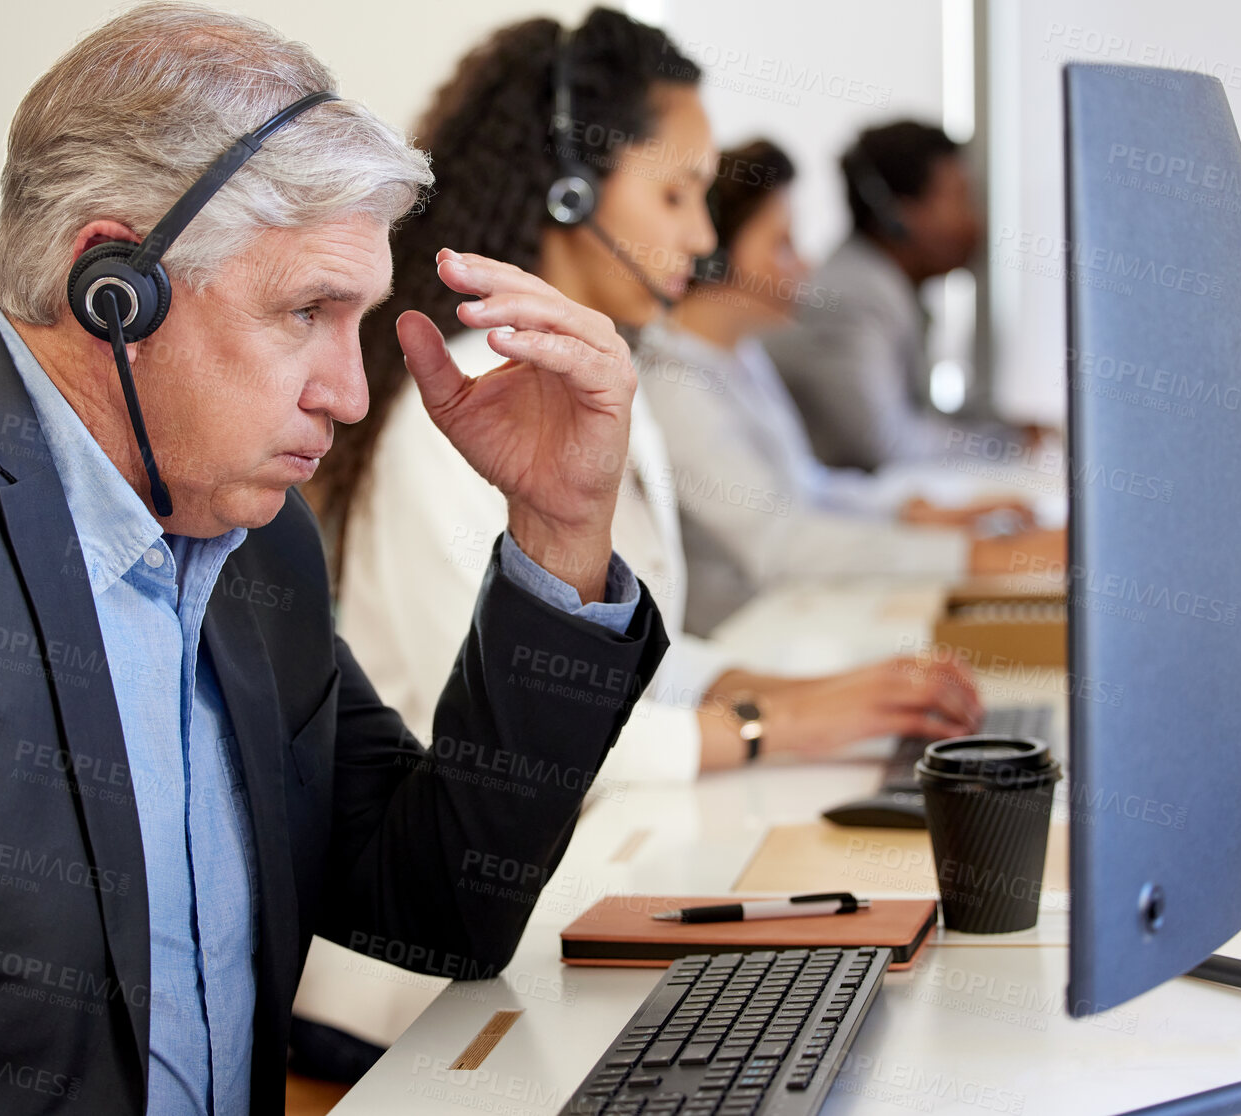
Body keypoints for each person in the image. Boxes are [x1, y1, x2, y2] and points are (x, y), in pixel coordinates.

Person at [0, 5, 674, 1112]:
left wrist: (556, 528)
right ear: (114, 285)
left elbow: (442, 904)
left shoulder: (252, 545)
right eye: (307, 310)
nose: (350, 396)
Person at [307, 9, 986, 791]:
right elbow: (487, 729)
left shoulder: (597, 373)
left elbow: (613, 662)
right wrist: (782, 725)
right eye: (674, 195)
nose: (702, 240)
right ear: (568, 194)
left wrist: (805, 692)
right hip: (468, 882)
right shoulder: (470, 398)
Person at [637, 140, 1058, 632]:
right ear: (716, 255)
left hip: (792, 608)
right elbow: (778, 544)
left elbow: (805, 488)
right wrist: (973, 556)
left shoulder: (737, 353)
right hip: (746, 631)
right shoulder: (673, 385)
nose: (805, 267)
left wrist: (913, 512)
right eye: (783, 244)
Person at [765, 120, 1033, 473]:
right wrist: (1007, 444)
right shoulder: (853, 297)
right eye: (960, 198)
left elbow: (914, 413)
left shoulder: (886, 287)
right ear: (897, 215)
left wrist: (1003, 429)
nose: (975, 223)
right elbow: (885, 443)